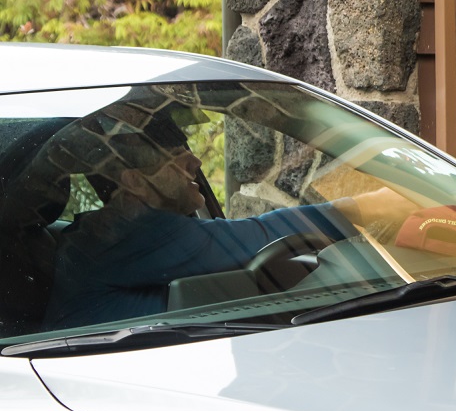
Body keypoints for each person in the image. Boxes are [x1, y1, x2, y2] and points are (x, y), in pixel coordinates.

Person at [42, 116, 415, 330]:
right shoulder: (130, 230)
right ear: (135, 182)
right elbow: (250, 239)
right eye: (175, 157)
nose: (195, 163)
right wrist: (371, 207)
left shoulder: (109, 232)